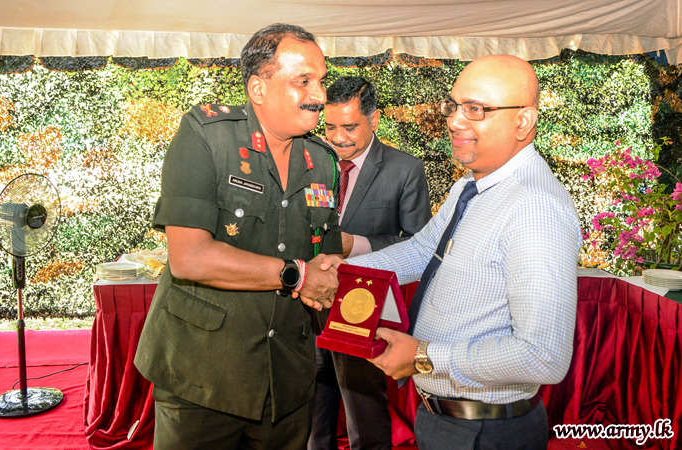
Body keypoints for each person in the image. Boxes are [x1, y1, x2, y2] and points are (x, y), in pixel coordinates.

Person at [321, 55, 582, 450]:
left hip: (485, 431)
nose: (455, 121)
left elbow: (543, 356)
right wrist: (338, 272)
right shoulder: (472, 186)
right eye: (454, 105)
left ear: (523, 121)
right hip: (448, 419)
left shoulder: (534, 208)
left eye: (476, 109)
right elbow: (422, 250)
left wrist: (424, 357)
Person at [134, 23, 343, 450]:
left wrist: (341, 284)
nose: (320, 95)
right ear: (258, 88)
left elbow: (328, 253)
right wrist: (298, 275)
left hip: (287, 380)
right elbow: (190, 258)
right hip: (203, 376)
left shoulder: (323, 161)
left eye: (321, 81)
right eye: (304, 81)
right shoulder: (207, 135)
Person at [308, 77, 431, 450]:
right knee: (313, 398)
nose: (338, 138)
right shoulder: (311, 162)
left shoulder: (405, 169)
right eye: (330, 127)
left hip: (362, 305)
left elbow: (419, 244)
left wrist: (356, 245)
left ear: (374, 120)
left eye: (349, 127)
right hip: (308, 299)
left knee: (362, 402)